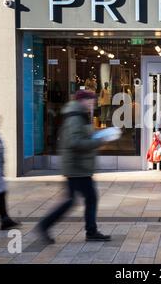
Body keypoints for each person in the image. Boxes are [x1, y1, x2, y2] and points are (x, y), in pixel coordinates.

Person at [37, 90, 111, 244]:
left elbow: (81, 137)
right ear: (83, 101)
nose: (93, 104)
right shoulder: (75, 117)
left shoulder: (80, 115)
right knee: (83, 199)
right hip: (77, 167)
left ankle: (89, 231)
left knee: (79, 199)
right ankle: (46, 225)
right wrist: (98, 141)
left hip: (79, 166)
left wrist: (96, 136)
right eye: (91, 101)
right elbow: (74, 142)